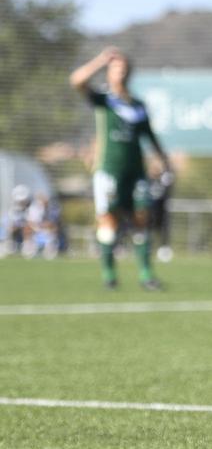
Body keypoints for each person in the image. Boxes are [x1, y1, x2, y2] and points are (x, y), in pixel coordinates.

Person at [70, 47, 170, 290]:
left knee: (141, 219)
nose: (120, 72)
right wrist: (100, 60)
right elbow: (77, 80)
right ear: (109, 72)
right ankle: (109, 275)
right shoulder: (103, 100)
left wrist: (163, 160)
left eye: (124, 68)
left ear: (129, 73)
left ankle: (146, 275)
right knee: (109, 223)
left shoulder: (138, 105)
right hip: (108, 170)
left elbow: (150, 136)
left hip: (136, 172)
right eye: (116, 68)